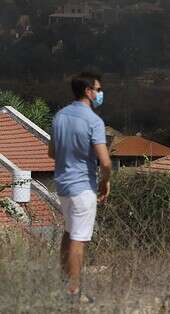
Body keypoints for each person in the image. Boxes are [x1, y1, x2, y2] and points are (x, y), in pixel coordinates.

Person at [48, 72, 111, 300]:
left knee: (69, 232)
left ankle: (64, 283)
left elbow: (51, 152)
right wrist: (105, 182)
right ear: (88, 91)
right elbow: (105, 161)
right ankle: (74, 291)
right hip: (83, 186)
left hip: (62, 185)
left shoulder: (60, 117)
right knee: (79, 238)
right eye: (98, 89)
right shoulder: (94, 121)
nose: (100, 93)